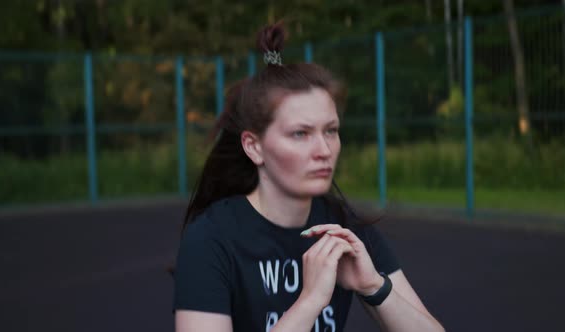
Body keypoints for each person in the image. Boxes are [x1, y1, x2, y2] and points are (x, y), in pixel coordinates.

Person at [172, 21, 445, 332]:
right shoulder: (212, 240)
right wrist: (311, 300)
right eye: (300, 133)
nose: (323, 149)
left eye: (330, 131)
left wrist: (374, 287)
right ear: (254, 146)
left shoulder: (345, 232)